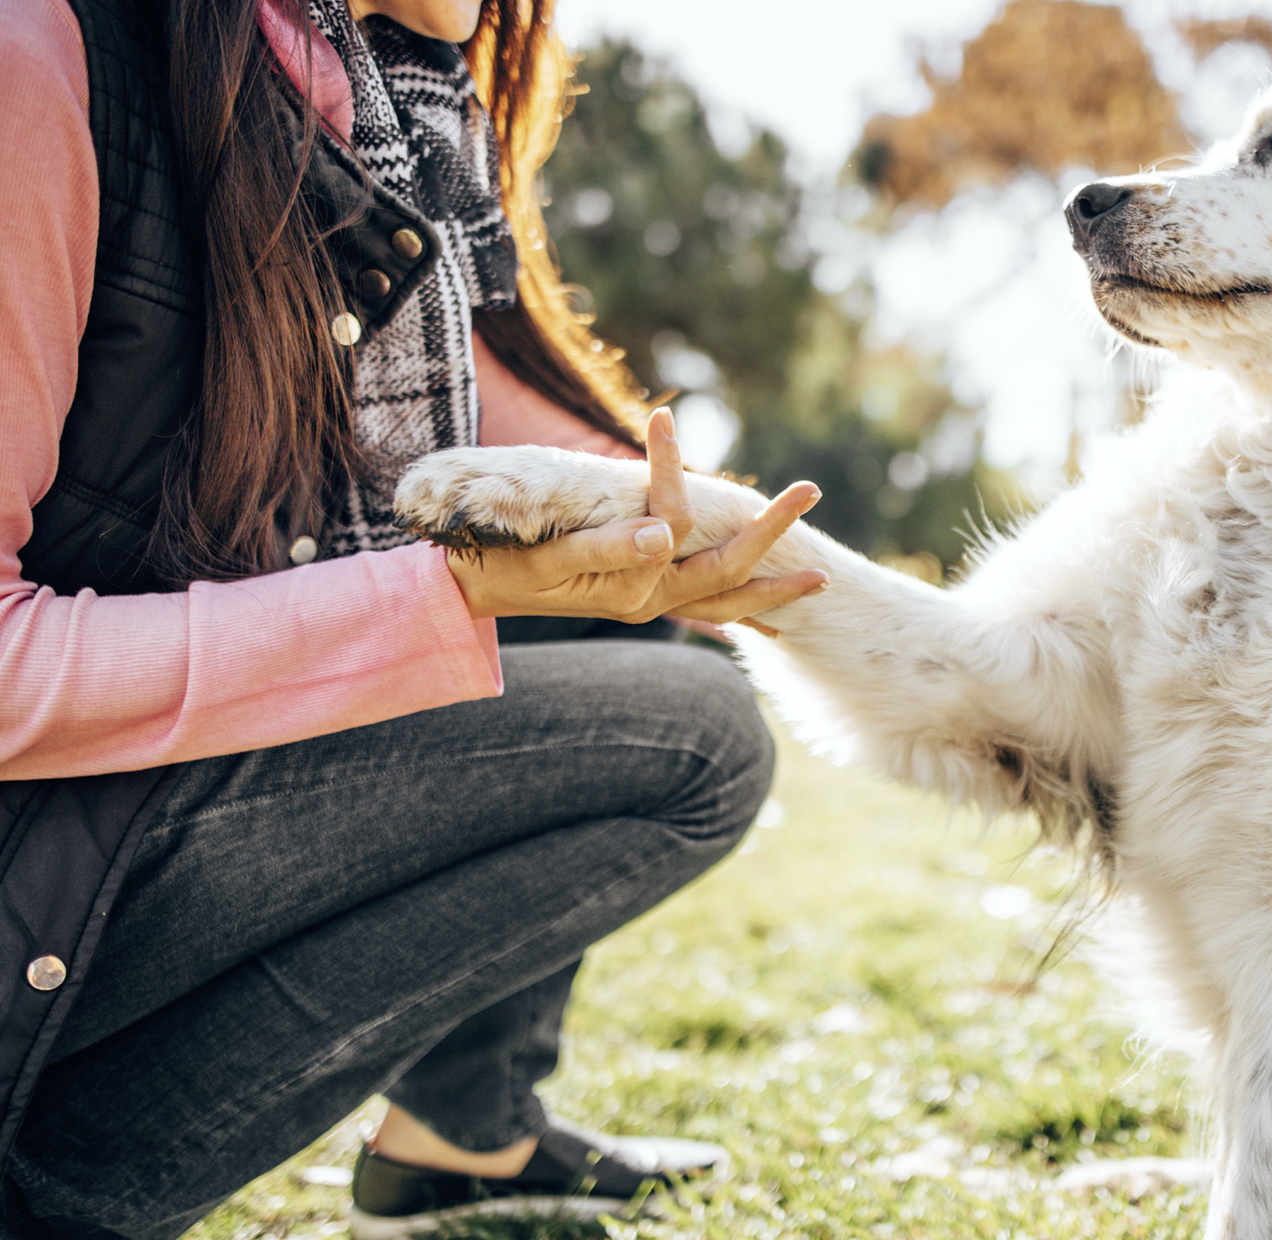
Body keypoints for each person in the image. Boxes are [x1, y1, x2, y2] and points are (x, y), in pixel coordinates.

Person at [0, 0, 829, 1235]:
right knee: (697, 741)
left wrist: (712, 534)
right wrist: (438, 599)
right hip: (42, 836)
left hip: (104, 816)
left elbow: (508, 425)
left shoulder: (370, 108)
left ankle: (463, 1135)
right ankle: (54, 1190)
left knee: (627, 617)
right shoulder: (42, 56)